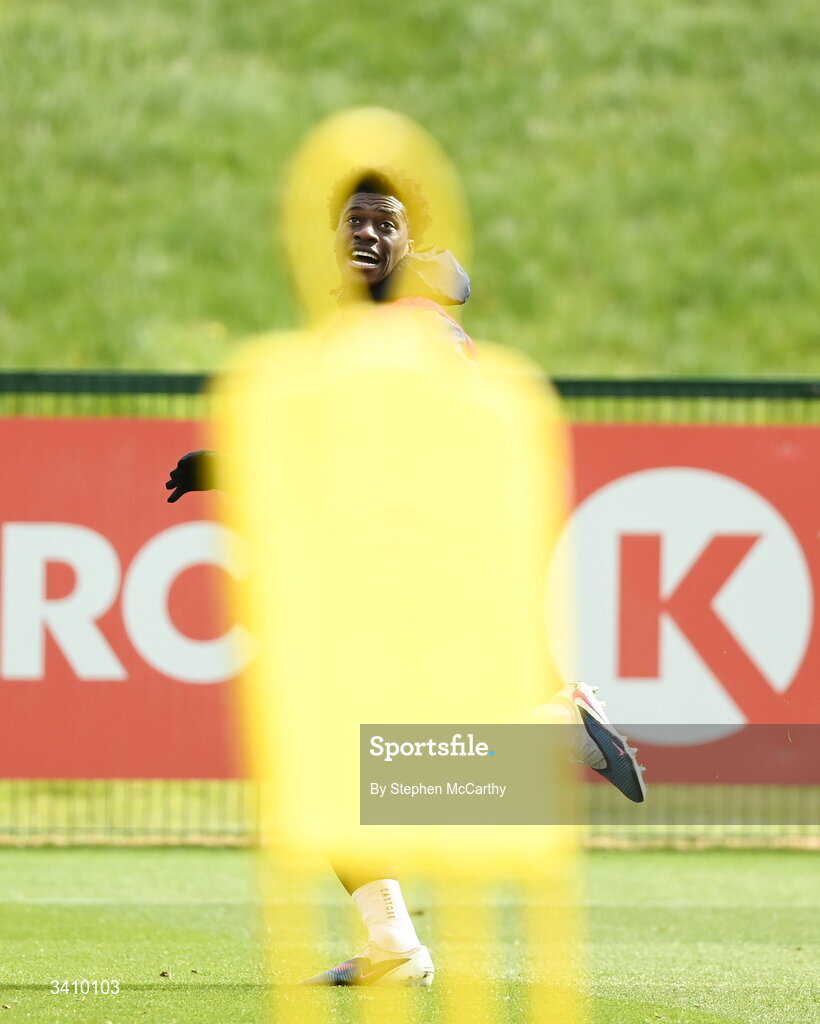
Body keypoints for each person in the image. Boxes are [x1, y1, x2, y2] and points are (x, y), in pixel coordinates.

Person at [165, 172, 646, 987]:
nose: (364, 231)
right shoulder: (364, 326)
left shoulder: (416, 327)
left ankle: (544, 731)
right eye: (353, 219)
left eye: (383, 222)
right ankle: (399, 933)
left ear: (408, 240)